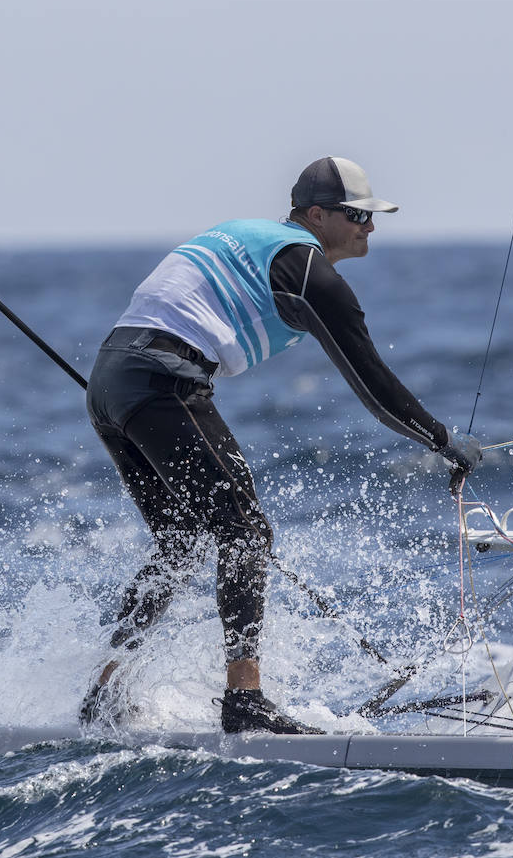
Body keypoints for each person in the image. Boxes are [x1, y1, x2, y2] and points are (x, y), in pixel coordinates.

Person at [80, 156, 482, 734]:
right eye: (357, 216)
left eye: (373, 216)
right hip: (161, 378)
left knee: (186, 538)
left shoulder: (251, 234)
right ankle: (244, 700)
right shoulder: (307, 271)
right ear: (315, 214)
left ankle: (105, 690)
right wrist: (443, 441)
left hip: (111, 380)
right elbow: (373, 383)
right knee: (245, 531)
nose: (370, 227)